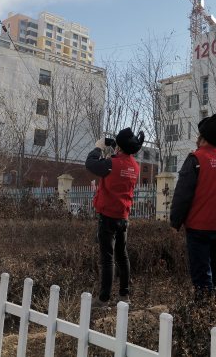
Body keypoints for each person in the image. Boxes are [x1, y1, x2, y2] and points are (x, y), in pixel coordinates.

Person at [170, 114, 216, 304]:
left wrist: (175, 223)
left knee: (202, 275)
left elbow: (183, 194)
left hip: (198, 227)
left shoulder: (196, 159)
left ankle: (205, 312)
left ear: (203, 138)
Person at [85, 128, 144, 309]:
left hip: (108, 217)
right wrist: (114, 146)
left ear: (119, 147)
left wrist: (98, 148)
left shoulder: (111, 164)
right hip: (123, 217)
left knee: (107, 258)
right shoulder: (135, 166)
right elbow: (120, 161)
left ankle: (103, 299)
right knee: (122, 255)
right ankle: (124, 295)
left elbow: (91, 164)